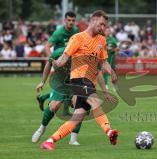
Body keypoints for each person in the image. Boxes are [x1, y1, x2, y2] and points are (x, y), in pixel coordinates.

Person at [40, 10, 118, 150]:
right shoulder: (77, 38)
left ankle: (50, 141)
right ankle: (109, 131)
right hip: (79, 79)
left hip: (89, 82)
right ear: (93, 20)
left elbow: (103, 62)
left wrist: (111, 71)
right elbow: (64, 57)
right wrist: (56, 64)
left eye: (105, 26)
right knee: (96, 103)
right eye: (101, 24)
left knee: (77, 117)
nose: (103, 28)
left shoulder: (102, 40)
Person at [32, 11, 81, 145]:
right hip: (60, 72)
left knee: (80, 105)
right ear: (65, 20)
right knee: (54, 106)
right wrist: (53, 62)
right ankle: (41, 129)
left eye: (73, 20)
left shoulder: (77, 35)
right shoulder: (59, 38)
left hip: (75, 74)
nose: (71, 23)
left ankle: (73, 139)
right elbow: (48, 51)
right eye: (69, 20)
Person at [103, 26, 118, 91]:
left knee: (113, 71)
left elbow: (117, 48)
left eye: (109, 31)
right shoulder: (101, 38)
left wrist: (114, 50)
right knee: (104, 71)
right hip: (104, 58)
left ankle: (114, 85)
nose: (108, 32)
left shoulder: (113, 39)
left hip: (111, 58)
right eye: (107, 31)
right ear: (104, 31)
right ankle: (105, 85)